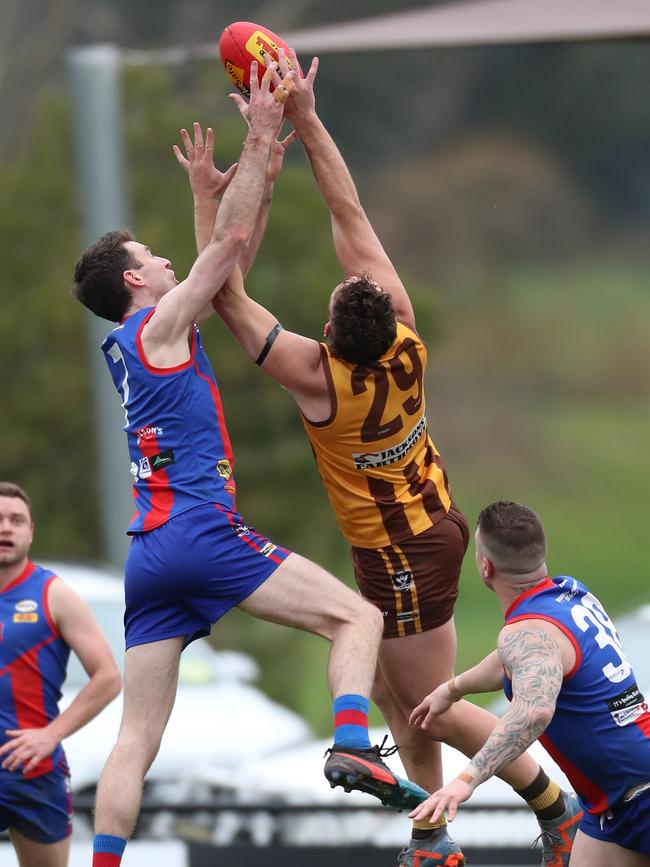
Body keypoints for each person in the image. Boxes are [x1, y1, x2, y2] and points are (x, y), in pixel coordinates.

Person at [179, 48, 582, 867]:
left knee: (424, 704)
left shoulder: (319, 379)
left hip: (403, 551)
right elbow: (349, 211)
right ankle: (435, 832)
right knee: (404, 697)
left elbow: (221, 290)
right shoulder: (402, 333)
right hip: (427, 526)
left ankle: (505, 814)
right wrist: (308, 118)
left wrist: (238, 169)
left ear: (329, 337)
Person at [72, 63, 425, 867]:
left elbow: (225, 268)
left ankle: (103, 863)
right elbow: (226, 252)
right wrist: (266, 127)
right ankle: (351, 743)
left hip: (149, 554)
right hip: (201, 530)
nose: (167, 263)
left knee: (136, 735)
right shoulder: (160, 323)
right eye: (154, 257)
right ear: (135, 280)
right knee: (357, 617)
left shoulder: (139, 341)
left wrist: (224, 185)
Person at [410, 500, 650, 866]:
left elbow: (535, 710)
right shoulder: (569, 593)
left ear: (485, 566)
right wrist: (451, 689)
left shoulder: (526, 632)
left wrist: (465, 780)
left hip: (641, 796)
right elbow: (513, 661)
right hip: (612, 805)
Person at [0, 481, 121, 867]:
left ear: (31, 531)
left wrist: (51, 735)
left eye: (16, 520)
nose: (6, 528)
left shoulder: (53, 594)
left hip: (35, 770)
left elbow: (107, 677)